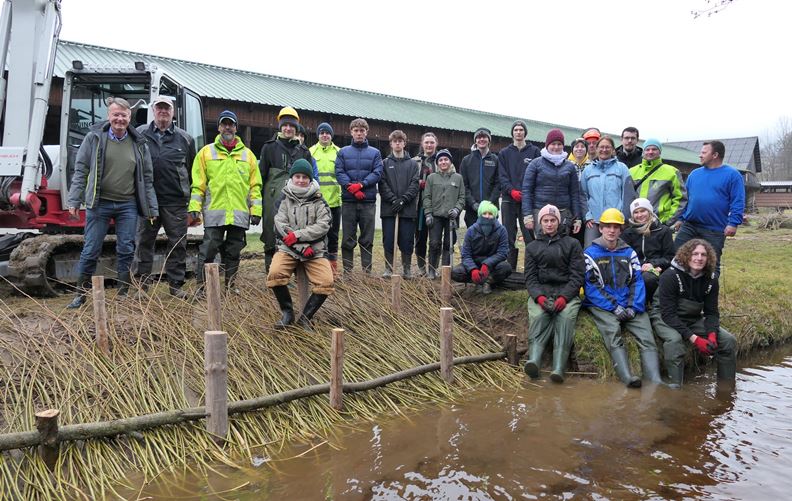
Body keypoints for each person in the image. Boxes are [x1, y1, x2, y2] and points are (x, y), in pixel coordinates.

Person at [66, 96, 158, 309]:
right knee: (91, 248)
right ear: (109, 116)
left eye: (124, 115)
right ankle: (80, 294)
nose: (120, 119)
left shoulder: (138, 143)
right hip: (99, 203)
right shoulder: (94, 138)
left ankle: (123, 294)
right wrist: (74, 200)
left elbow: (147, 178)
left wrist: (151, 208)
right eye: (116, 114)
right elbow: (81, 170)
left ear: (129, 117)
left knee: (126, 248)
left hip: (128, 204)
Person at [583, 208, 663, 388]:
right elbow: (591, 287)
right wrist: (614, 307)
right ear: (601, 228)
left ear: (621, 230)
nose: (611, 230)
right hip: (604, 305)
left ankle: (655, 380)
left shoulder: (629, 253)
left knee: (647, 336)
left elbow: (637, 281)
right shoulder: (590, 254)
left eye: (616, 227)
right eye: (607, 226)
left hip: (629, 303)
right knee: (612, 333)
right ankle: (627, 377)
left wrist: (633, 307)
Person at [190, 110, 262, 294]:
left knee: (233, 252)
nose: (228, 127)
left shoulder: (248, 156)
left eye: (231, 124)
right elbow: (198, 185)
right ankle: (201, 288)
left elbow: (255, 187)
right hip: (215, 213)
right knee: (208, 251)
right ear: (219, 127)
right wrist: (194, 207)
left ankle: (231, 287)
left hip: (239, 214)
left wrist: (256, 211)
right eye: (224, 124)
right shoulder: (206, 153)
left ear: (236, 128)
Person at [132, 95, 196, 299]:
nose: (163, 112)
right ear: (153, 110)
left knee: (178, 243)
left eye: (167, 108)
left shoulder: (185, 139)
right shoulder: (139, 134)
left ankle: (176, 286)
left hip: (175, 201)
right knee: (143, 242)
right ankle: (141, 286)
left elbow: (191, 170)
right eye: (159, 108)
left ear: (173, 112)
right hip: (147, 201)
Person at [622, 198, 683, 386]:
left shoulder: (662, 231)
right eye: (636, 212)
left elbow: (670, 257)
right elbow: (624, 254)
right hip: (634, 269)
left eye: (643, 211)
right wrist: (635, 266)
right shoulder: (628, 232)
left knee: (649, 279)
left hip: (656, 271)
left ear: (650, 212)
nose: (640, 215)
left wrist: (654, 264)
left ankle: (648, 307)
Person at [267, 159, 334, 331]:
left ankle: (305, 318)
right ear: (292, 178)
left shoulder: (320, 201)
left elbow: (323, 225)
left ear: (310, 180)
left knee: (326, 282)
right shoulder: (283, 199)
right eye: (297, 176)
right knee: (275, 274)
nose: (301, 180)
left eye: (305, 177)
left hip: (316, 251)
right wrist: (301, 247)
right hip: (288, 249)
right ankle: (287, 314)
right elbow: (280, 225)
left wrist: (297, 235)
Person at [658, 239, 737, 383]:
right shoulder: (669, 276)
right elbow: (668, 315)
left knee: (728, 341)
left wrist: (712, 335)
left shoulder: (712, 279)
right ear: (686, 255)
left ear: (709, 258)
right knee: (675, 342)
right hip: (665, 317)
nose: (699, 258)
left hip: (693, 318)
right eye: (695, 254)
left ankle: (727, 387)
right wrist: (695, 339)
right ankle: (675, 389)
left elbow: (711, 312)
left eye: (703, 255)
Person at [523, 204, 585, 383]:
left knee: (565, 318)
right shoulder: (532, 247)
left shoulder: (572, 244)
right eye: (545, 221)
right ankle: (534, 360)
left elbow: (577, 276)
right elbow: (530, 277)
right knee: (538, 315)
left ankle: (559, 367)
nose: (549, 224)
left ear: (558, 222)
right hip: (541, 292)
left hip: (566, 292)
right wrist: (539, 297)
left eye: (553, 220)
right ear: (540, 223)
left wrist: (565, 297)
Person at [674, 140, 744, 276]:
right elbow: (686, 200)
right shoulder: (695, 174)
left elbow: (738, 201)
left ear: (715, 155)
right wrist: (680, 218)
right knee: (677, 257)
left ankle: (708, 295)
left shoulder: (732, 175)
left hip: (714, 229)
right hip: (689, 226)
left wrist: (733, 223)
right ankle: (680, 291)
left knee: (711, 264)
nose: (700, 155)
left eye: (704, 153)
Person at [259, 106, 314, 273]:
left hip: (297, 200)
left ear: (296, 128)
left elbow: (310, 179)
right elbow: (261, 176)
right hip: (272, 199)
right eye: (285, 125)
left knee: (296, 233)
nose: (288, 128)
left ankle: (296, 272)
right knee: (271, 234)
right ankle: (272, 273)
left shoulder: (304, 151)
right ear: (280, 127)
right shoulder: (269, 148)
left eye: (291, 125)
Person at [335, 118, 384, 274]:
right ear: (351, 132)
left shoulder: (375, 153)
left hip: (368, 201)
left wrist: (361, 185)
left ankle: (367, 271)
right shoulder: (343, 152)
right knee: (348, 238)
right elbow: (339, 172)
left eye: (362, 130)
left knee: (367, 239)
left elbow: (377, 172)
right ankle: (348, 272)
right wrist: (352, 188)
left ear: (366, 132)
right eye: (356, 130)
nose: (359, 133)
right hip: (349, 201)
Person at [521, 129, 582, 239]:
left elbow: (574, 193)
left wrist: (577, 218)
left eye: (559, 144)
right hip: (540, 210)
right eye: (553, 144)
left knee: (562, 244)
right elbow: (527, 191)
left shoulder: (570, 166)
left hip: (563, 212)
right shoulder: (535, 164)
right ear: (547, 145)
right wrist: (528, 215)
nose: (556, 147)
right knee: (542, 244)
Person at [497, 119, 541, 271]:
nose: (518, 132)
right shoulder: (504, 153)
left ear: (525, 133)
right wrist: (511, 190)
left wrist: (527, 192)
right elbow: (502, 176)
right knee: (508, 236)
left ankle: (531, 270)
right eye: (515, 130)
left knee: (529, 235)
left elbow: (537, 174)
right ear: (512, 133)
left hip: (526, 201)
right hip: (509, 200)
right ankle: (509, 270)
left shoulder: (534, 152)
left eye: (521, 130)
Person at [580, 136, 635, 248]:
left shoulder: (622, 168)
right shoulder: (588, 171)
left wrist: (623, 217)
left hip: (616, 220)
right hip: (594, 220)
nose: (604, 150)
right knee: (590, 251)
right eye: (601, 147)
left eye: (607, 147)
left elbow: (628, 194)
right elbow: (582, 195)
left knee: (617, 251)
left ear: (613, 150)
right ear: (596, 149)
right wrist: (587, 216)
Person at [379, 130, 420, 278]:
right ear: (391, 144)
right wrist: (393, 200)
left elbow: (415, 184)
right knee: (389, 239)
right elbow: (382, 184)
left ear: (404, 143)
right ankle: (389, 268)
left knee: (407, 240)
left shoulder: (413, 164)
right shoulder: (384, 163)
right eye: (394, 141)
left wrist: (403, 200)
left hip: (407, 210)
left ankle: (407, 269)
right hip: (389, 210)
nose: (397, 143)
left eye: (400, 141)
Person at [451, 201, 511, 294]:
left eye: (490, 214)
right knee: (456, 272)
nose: (487, 216)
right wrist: (473, 269)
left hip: (492, 265)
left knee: (506, 268)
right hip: (475, 263)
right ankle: (477, 281)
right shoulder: (471, 230)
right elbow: (466, 254)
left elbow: (503, 253)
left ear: (495, 215)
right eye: (484, 213)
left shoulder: (501, 230)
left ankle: (488, 281)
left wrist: (487, 264)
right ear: (480, 214)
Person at [423, 149, 465, 279]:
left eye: (446, 159)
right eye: (440, 160)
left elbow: (462, 197)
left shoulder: (458, 178)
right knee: (434, 243)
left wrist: (457, 209)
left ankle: (445, 271)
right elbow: (427, 197)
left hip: (451, 217)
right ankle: (431, 270)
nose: (443, 162)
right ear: (437, 163)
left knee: (448, 244)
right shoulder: (431, 178)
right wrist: (428, 213)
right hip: (435, 216)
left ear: (450, 161)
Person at [629, 138, 687, 226]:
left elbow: (680, 199)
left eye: (654, 149)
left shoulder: (672, 172)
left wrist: (668, 221)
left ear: (659, 152)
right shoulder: (632, 172)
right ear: (643, 152)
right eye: (647, 149)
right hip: (636, 222)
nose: (650, 152)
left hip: (659, 222)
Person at [309, 122, 342, 276]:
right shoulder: (311, 152)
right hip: (316, 202)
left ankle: (332, 268)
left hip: (335, 202)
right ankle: (318, 267)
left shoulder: (339, 152)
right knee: (317, 235)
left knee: (333, 235)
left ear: (331, 135)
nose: (324, 135)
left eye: (327, 133)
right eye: (321, 132)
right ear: (318, 135)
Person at [460, 127, 500, 228]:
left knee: (491, 239)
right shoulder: (466, 160)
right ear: (475, 140)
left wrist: (489, 202)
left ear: (489, 140)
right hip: (472, 209)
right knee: (474, 239)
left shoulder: (496, 160)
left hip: (490, 209)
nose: (481, 139)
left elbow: (498, 183)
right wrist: (473, 203)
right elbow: (464, 185)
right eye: (479, 137)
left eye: (484, 137)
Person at [413, 132, 439, 277]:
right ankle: (422, 267)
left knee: (435, 239)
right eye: (426, 142)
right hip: (419, 206)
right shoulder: (414, 161)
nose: (429, 145)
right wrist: (417, 184)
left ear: (436, 144)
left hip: (436, 206)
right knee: (420, 238)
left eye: (432, 142)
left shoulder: (442, 160)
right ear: (422, 144)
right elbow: (408, 180)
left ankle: (433, 268)